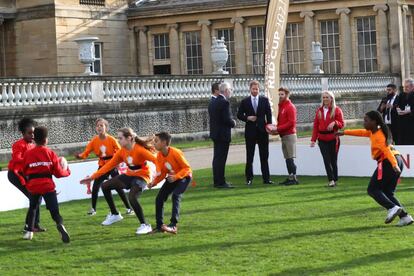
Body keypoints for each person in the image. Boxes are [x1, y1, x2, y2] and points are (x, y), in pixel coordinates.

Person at [338, 111, 413, 226]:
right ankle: (405, 217)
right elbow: (361, 132)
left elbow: (386, 151)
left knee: (372, 189)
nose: (364, 122)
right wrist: (344, 132)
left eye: (366, 120)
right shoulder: (374, 131)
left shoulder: (378, 136)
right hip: (397, 159)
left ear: (374, 122)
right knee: (388, 192)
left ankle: (392, 208)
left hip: (389, 161)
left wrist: (394, 165)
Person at [80, 128, 157, 235]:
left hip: (142, 176)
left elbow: (157, 161)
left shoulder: (140, 150)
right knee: (105, 186)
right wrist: (92, 177)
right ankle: (115, 214)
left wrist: (158, 177)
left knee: (132, 197)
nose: (118, 140)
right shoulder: (122, 152)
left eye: (120, 138)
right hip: (130, 175)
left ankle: (145, 225)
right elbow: (108, 166)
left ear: (129, 138)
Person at [22, 126, 71, 242]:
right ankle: (60, 224)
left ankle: (29, 232)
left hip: (33, 186)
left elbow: (24, 170)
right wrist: (67, 171)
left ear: (34, 139)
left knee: (33, 207)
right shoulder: (50, 153)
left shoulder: (28, 154)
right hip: (47, 185)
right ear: (46, 140)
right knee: (54, 211)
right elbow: (58, 173)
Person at [75, 118, 133, 216]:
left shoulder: (111, 139)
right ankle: (93, 209)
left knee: (118, 187)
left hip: (112, 165)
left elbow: (120, 151)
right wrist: (80, 156)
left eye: (102, 125)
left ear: (106, 127)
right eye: (98, 126)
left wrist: (118, 162)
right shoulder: (94, 140)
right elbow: (86, 153)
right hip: (102, 166)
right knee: (96, 186)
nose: (99, 127)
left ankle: (129, 208)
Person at [149, 132, 192, 234]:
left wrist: (176, 177)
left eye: (156, 141)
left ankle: (173, 225)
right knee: (159, 199)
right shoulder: (159, 155)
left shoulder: (175, 152)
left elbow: (187, 168)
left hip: (184, 177)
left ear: (164, 143)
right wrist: (153, 183)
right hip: (172, 178)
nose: (154, 143)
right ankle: (160, 226)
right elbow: (162, 173)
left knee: (176, 195)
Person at [7, 118, 45, 233]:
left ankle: (34, 225)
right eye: (29, 133)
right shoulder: (18, 145)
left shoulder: (33, 145)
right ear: (23, 133)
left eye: (33, 132)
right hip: (15, 175)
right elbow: (17, 159)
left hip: (26, 175)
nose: (32, 135)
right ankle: (30, 225)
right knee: (35, 198)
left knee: (37, 198)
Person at [237, 80, 273, 185]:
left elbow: (269, 114)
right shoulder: (245, 101)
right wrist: (247, 118)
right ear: (250, 89)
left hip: (262, 131)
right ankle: (249, 179)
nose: (255, 91)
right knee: (250, 156)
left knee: (264, 156)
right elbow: (239, 115)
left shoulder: (264, 100)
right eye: (253, 89)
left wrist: (269, 126)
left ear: (259, 89)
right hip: (250, 132)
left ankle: (266, 179)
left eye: (257, 89)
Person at [311, 91, 344, 187]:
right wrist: (313, 139)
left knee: (333, 160)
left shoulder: (337, 110)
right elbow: (316, 126)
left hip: (333, 138)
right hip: (322, 139)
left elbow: (341, 124)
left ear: (331, 99)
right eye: (324, 97)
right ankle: (331, 180)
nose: (325, 99)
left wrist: (335, 123)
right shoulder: (319, 111)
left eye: (327, 97)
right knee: (326, 160)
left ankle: (335, 179)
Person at [208, 82, 236, 189]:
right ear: (226, 90)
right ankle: (221, 182)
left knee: (217, 158)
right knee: (221, 159)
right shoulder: (224, 102)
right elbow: (226, 119)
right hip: (223, 134)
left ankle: (217, 180)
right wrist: (233, 123)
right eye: (230, 90)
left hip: (215, 133)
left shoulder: (212, 101)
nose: (231, 92)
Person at [270, 87, 299, 185]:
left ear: (287, 95)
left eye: (282, 94)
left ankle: (294, 178)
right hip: (284, 135)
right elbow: (282, 122)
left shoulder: (290, 106)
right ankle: (290, 177)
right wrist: (276, 129)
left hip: (290, 135)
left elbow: (291, 123)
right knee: (287, 158)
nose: (280, 96)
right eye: (279, 94)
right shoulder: (282, 106)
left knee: (290, 157)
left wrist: (277, 129)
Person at [396, 79, 414, 145]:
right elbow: (397, 105)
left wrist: (409, 111)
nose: (405, 88)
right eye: (404, 87)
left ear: (412, 87)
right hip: (402, 123)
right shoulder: (401, 95)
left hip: (411, 123)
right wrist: (398, 110)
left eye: (407, 87)